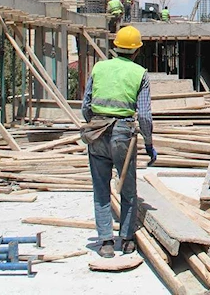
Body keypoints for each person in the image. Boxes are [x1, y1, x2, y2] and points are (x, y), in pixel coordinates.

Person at [81, 26, 157, 258]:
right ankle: (126, 239)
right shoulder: (139, 73)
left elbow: (85, 105)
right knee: (128, 189)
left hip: (96, 131)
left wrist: (95, 124)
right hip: (123, 134)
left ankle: (105, 242)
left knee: (101, 188)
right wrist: (149, 143)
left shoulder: (99, 68)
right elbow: (144, 115)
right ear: (136, 52)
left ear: (115, 48)